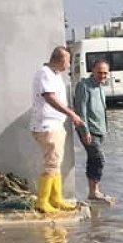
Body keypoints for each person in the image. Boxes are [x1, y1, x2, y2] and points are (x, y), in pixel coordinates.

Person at [31, 46, 82, 214]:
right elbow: (49, 97)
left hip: (55, 125)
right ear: (60, 59)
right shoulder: (45, 73)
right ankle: (42, 201)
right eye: (68, 61)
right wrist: (70, 113)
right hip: (47, 126)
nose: (68, 65)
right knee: (51, 163)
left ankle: (56, 198)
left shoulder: (55, 75)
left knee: (56, 163)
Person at [72, 59, 114, 203]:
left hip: (100, 130)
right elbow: (80, 111)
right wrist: (85, 132)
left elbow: (103, 110)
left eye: (105, 73)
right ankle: (94, 192)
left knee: (93, 160)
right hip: (89, 130)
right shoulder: (84, 86)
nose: (102, 75)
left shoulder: (101, 87)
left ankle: (93, 192)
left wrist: (106, 129)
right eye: (99, 72)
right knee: (99, 159)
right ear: (93, 71)